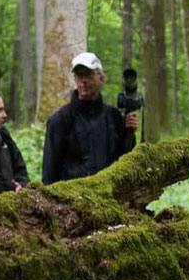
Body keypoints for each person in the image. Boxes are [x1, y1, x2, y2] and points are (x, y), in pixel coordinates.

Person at [42, 52, 138, 185]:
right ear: (75, 80)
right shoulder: (60, 121)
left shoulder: (114, 117)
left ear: (101, 78)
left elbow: (125, 161)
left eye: (89, 75)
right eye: (79, 76)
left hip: (110, 196)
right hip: (73, 199)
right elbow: (49, 174)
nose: (84, 81)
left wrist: (130, 133)